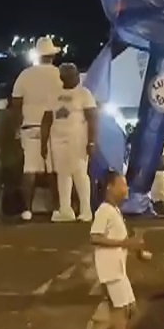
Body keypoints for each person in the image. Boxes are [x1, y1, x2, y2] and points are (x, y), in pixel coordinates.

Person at [73, 170, 149, 329]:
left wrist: (137, 250)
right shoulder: (104, 210)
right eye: (122, 185)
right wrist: (126, 243)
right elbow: (95, 237)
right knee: (122, 311)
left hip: (116, 268)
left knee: (124, 308)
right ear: (110, 187)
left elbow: (119, 241)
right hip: (111, 269)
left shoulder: (114, 210)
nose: (126, 189)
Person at [10, 37, 65, 220]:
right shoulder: (59, 75)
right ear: (52, 56)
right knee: (53, 169)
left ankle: (27, 210)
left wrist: (16, 127)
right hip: (55, 127)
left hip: (30, 126)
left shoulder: (25, 75)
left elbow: (16, 103)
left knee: (30, 169)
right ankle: (57, 208)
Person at [39, 61, 99, 223]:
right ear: (63, 78)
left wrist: (92, 142)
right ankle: (65, 209)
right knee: (62, 173)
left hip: (78, 139)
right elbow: (46, 120)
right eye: (73, 76)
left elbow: (93, 119)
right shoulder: (53, 94)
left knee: (79, 173)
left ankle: (86, 210)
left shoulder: (84, 94)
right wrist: (43, 143)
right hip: (57, 139)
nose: (77, 78)